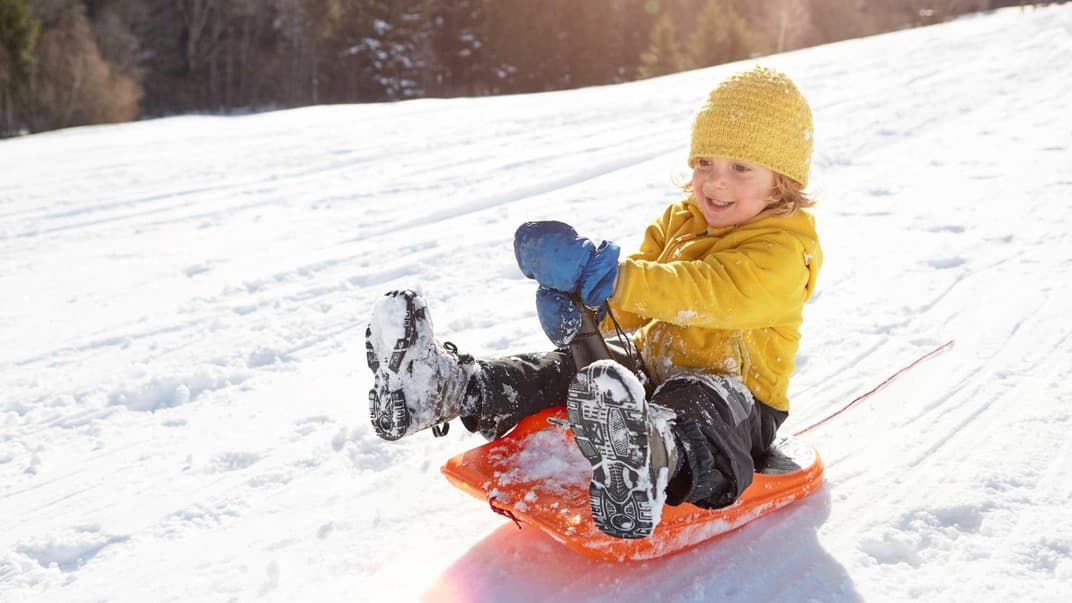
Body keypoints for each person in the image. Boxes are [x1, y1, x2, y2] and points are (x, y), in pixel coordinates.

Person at [365, 65, 822, 540]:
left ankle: (650, 456)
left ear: (782, 180)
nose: (715, 182)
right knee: (577, 371)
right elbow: (636, 307)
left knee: (697, 403)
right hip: (652, 371)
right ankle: (447, 387)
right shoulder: (681, 219)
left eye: (740, 168)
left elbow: (714, 293)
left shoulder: (787, 251)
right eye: (704, 161)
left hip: (738, 403)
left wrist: (615, 278)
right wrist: (589, 302)